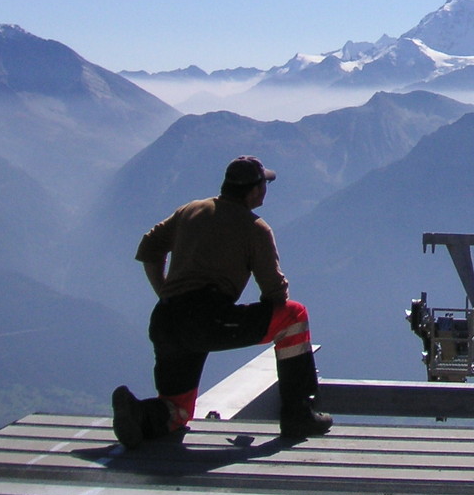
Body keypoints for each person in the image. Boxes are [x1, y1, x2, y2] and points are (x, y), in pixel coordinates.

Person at [110, 155, 332, 448]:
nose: (266, 189)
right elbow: (275, 296)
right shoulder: (255, 229)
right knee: (293, 316)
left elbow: (149, 249)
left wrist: (165, 292)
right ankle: (298, 414)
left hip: (165, 319)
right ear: (254, 191)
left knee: (178, 410)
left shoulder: (191, 210)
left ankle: (140, 415)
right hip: (208, 318)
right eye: (264, 184)